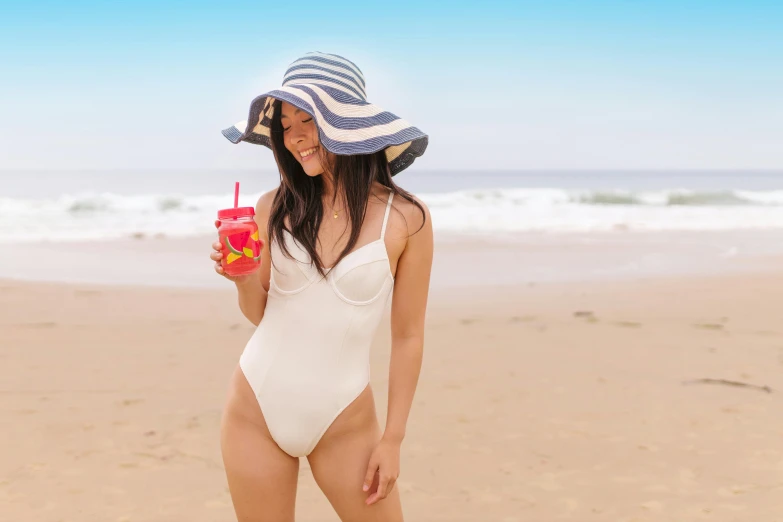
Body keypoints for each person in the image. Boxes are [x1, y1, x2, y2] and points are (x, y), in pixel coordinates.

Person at [210, 52, 433, 521]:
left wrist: (392, 439)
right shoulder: (273, 206)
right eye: (286, 124)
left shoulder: (407, 219)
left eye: (307, 119)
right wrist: (244, 278)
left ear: (347, 123)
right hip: (255, 409)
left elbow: (408, 334)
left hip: (346, 423)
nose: (294, 137)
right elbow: (260, 313)